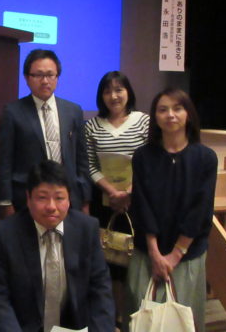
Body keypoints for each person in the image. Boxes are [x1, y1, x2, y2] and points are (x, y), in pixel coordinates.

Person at [124, 88, 217, 332]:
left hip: (187, 254)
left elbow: (200, 210)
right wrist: (155, 253)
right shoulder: (143, 156)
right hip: (148, 251)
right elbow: (142, 205)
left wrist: (175, 255)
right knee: (141, 315)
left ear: (189, 114)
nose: (170, 115)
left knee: (183, 319)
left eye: (177, 108)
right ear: (155, 116)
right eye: (163, 109)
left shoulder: (206, 158)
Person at [0, 160, 114, 332]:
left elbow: (101, 292)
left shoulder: (87, 229)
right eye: (42, 198)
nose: (51, 207)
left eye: (59, 198)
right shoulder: (6, 234)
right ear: (28, 198)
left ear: (69, 199)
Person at [84, 71, 149, 327]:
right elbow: (90, 165)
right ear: (101, 96)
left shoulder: (143, 122)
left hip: (137, 204)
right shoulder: (91, 126)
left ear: (128, 92)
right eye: (108, 91)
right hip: (105, 203)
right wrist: (113, 192)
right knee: (109, 261)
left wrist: (129, 191)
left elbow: (150, 161)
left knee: (135, 261)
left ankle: (134, 318)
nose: (114, 96)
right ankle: (111, 320)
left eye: (119, 89)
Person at [0, 49, 91, 215]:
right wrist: (6, 202)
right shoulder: (12, 112)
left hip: (68, 199)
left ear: (57, 77)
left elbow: (81, 159)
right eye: (38, 75)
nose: (45, 81)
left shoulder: (73, 111)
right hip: (28, 199)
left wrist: (85, 199)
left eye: (50, 75)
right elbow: (5, 162)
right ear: (27, 78)